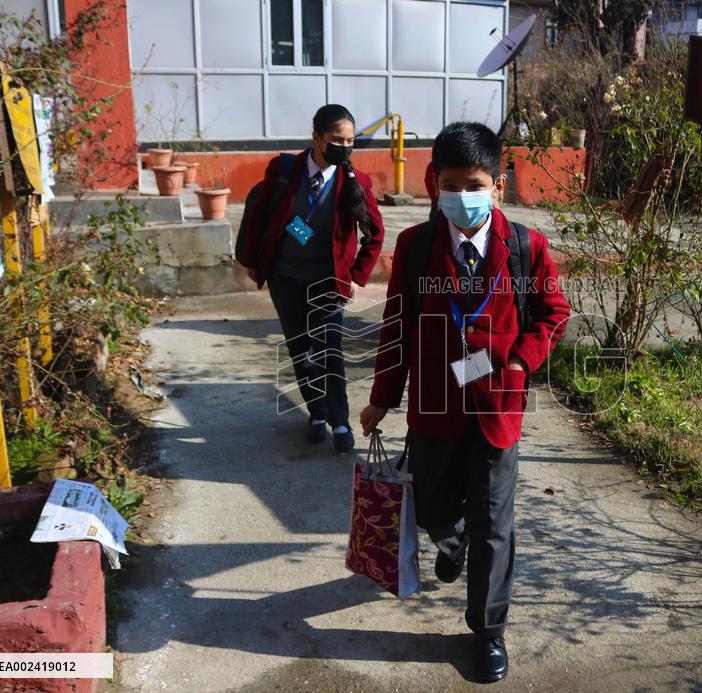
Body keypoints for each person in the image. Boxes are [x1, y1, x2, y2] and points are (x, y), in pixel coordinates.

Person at [359, 122, 571, 683]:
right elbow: (397, 326)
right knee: (431, 510)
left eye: (474, 184)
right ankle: (450, 546)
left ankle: (488, 631)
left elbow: (554, 313)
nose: (462, 196)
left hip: (499, 407)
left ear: (497, 183)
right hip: (434, 407)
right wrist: (382, 398)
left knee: (494, 524)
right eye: (450, 184)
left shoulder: (526, 247)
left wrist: (523, 360)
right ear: (434, 185)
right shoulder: (415, 246)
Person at [238, 104, 384, 452]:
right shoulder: (284, 169)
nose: (344, 147)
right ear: (316, 137)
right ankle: (316, 413)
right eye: (337, 139)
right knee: (300, 350)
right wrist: (252, 260)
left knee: (329, 351)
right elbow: (258, 214)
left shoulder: (355, 181)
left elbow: (375, 234)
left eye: (350, 141)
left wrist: (355, 275)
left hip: (327, 284)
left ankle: (340, 421)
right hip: (285, 278)